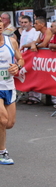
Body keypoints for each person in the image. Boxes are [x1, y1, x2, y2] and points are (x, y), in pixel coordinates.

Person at [0, 17, 25, 165]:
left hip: (9, 87)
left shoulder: (12, 41)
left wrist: (17, 66)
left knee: (9, 123)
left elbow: (21, 59)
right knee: (2, 120)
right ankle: (2, 152)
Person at [19, 15, 41, 104]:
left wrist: (26, 47)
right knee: (27, 76)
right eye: (22, 22)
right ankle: (30, 96)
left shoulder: (34, 31)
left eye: (25, 22)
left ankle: (35, 97)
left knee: (33, 76)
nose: (23, 24)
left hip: (32, 56)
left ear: (30, 23)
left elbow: (35, 43)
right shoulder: (23, 32)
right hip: (23, 56)